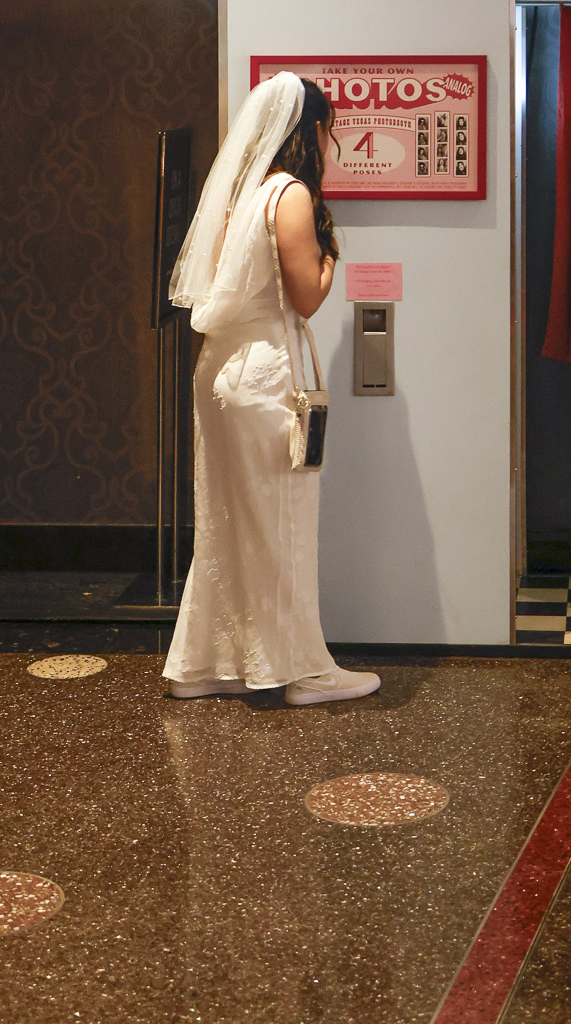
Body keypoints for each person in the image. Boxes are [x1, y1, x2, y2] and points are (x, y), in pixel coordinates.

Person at [163, 71, 380, 706]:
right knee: (282, 521)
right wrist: (333, 255)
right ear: (309, 131)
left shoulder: (242, 192)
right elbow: (307, 294)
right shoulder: (289, 195)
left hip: (222, 368)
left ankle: (205, 666)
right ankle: (304, 672)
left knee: (227, 522)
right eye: (329, 131)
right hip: (265, 374)